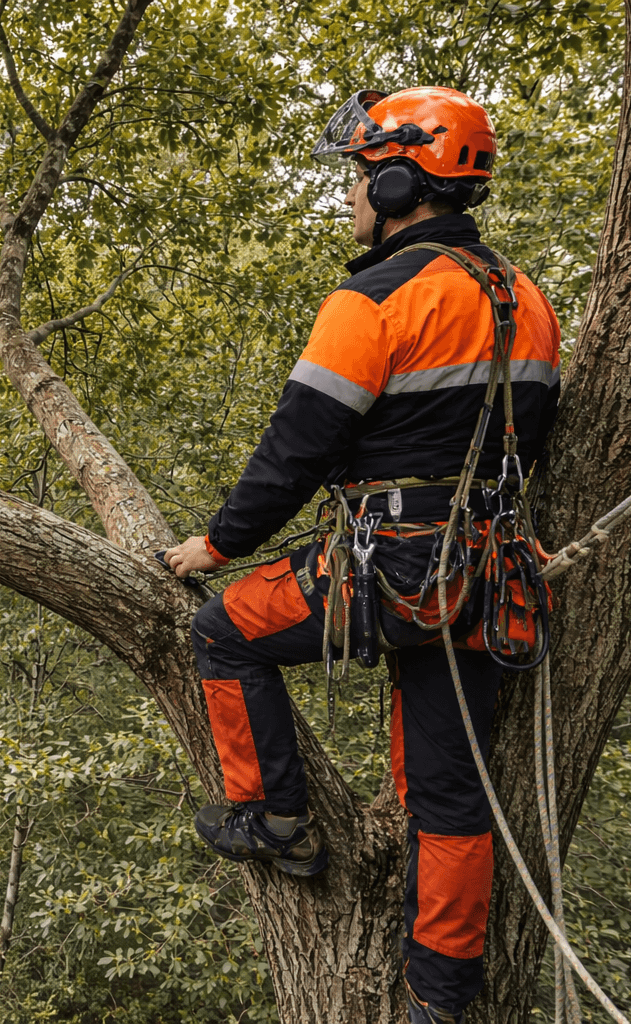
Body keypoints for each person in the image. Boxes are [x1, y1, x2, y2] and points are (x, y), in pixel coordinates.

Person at [160, 87, 561, 1024]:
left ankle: (275, 819)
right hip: (489, 574)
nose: (349, 195)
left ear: (398, 183)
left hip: (396, 568)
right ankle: (440, 996)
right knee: (449, 794)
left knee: (223, 632)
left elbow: (296, 447)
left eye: (359, 177)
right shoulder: (526, 298)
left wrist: (217, 544)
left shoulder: (374, 296)